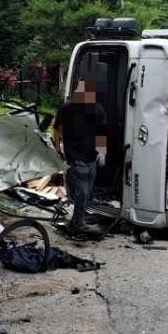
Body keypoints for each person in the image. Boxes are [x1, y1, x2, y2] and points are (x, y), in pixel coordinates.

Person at [53, 80, 108, 238]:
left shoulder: (97, 109)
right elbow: (57, 129)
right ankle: (77, 225)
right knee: (83, 192)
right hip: (75, 157)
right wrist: (57, 148)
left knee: (87, 192)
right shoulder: (67, 109)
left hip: (91, 156)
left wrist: (102, 152)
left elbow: (101, 132)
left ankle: (78, 219)